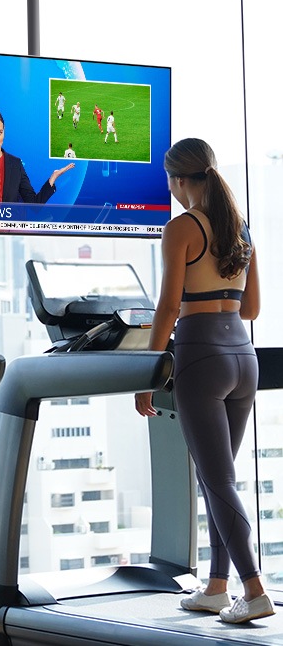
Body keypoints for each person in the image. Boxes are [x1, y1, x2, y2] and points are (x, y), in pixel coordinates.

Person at [134, 138, 272, 624]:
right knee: (219, 480)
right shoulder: (240, 229)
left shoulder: (181, 229)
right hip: (243, 358)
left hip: (200, 358)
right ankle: (217, 586)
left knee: (217, 480)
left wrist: (146, 375)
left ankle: (254, 589)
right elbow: (252, 309)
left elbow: (169, 308)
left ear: (178, 180)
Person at [0, 109, 74, 203]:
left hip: (10, 228)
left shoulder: (16, 164)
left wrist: (53, 178)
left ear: (4, 131)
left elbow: (33, 203)